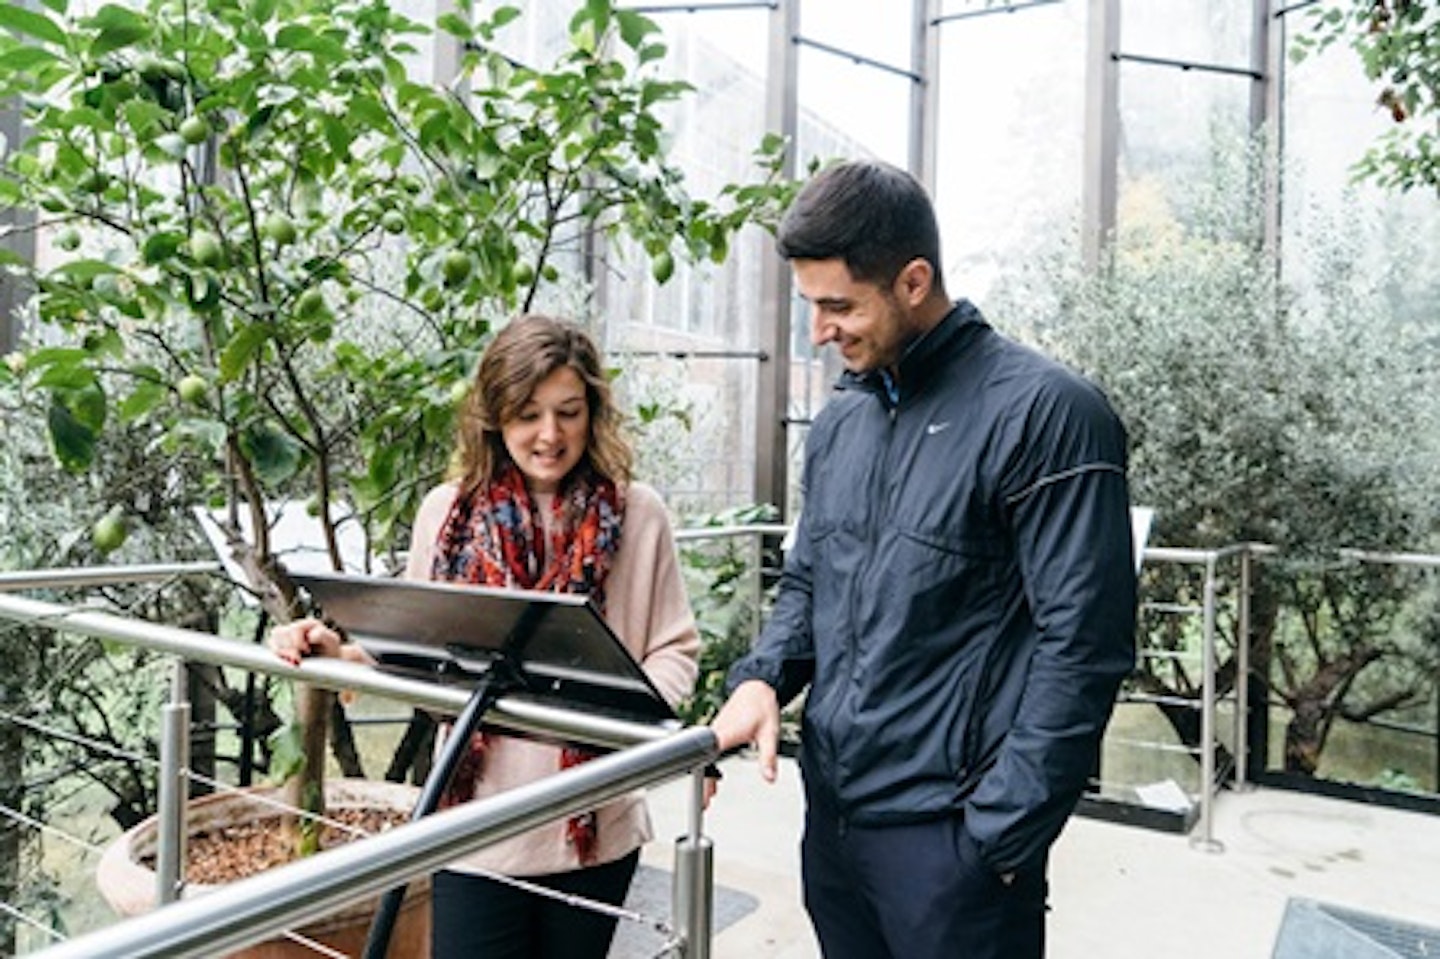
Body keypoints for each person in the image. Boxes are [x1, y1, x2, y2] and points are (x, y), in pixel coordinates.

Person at [709, 160, 1138, 959]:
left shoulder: (1049, 415)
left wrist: (996, 841)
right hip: (835, 828)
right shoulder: (843, 422)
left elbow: (1084, 646)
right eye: (810, 305)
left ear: (914, 281)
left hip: (953, 848)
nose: (819, 332)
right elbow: (810, 579)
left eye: (838, 305)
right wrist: (763, 673)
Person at [271, 314, 701, 959]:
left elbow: (675, 648)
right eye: (528, 414)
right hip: (474, 827)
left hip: (593, 822)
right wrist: (344, 654)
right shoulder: (446, 513)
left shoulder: (639, 514)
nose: (550, 435)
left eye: (569, 412)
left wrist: (627, 718)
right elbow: (424, 657)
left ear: (594, 413)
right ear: (496, 417)